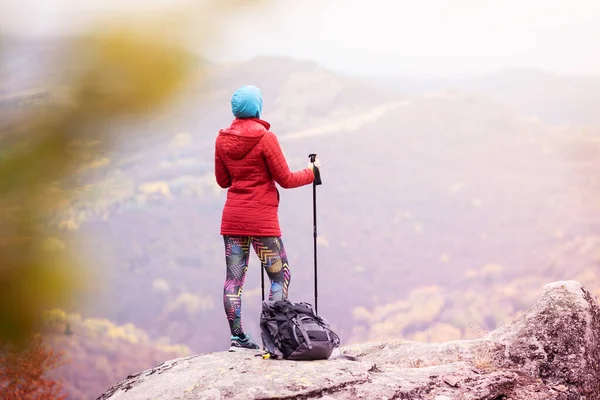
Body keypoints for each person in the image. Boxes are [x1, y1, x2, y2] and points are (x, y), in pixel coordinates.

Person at [214, 85, 322, 351]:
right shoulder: (266, 138)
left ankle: (237, 338)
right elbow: (285, 179)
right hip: (262, 222)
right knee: (279, 277)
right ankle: (276, 338)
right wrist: (312, 172)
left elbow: (223, 180)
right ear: (258, 108)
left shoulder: (222, 139)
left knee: (234, 281)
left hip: (234, 219)